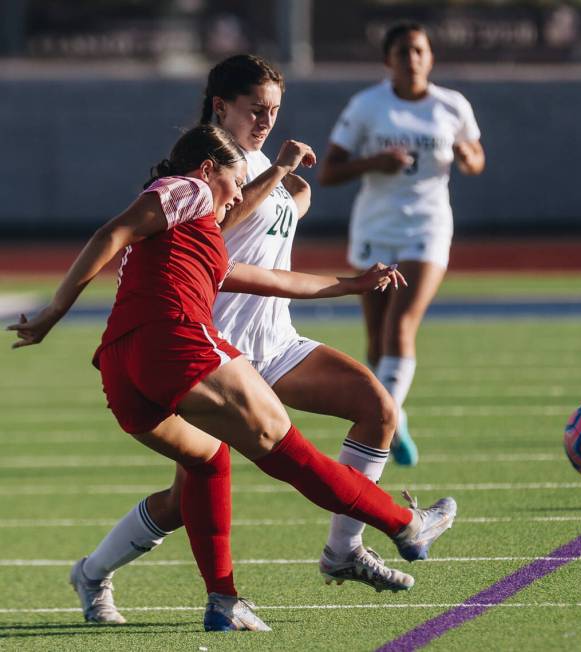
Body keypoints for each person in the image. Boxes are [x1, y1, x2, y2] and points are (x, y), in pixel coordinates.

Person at [8, 123, 457, 633]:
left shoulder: (194, 239)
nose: (239, 197)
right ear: (206, 171)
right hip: (172, 339)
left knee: (207, 458)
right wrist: (53, 311)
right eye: (236, 183)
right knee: (293, 453)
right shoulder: (190, 189)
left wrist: (352, 285)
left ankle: (223, 600)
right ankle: (406, 525)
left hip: (122, 367)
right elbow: (111, 232)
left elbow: (276, 281)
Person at [318, 22, 485, 467]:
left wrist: (470, 158)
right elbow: (329, 171)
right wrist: (375, 161)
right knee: (376, 338)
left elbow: (475, 157)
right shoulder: (368, 105)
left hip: (427, 226)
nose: (412, 59)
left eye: (419, 51)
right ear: (387, 60)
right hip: (375, 226)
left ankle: (384, 418)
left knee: (400, 325)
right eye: (403, 52)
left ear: (430, 57)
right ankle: (398, 414)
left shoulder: (452, 105)